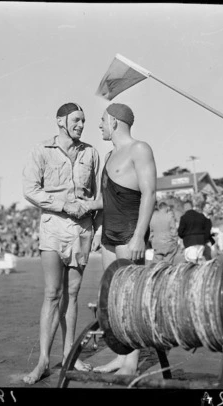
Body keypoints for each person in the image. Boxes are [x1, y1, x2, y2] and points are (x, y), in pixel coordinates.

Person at [22, 102, 101, 384]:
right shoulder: (41, 150)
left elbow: (96, 194)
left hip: (82, 230)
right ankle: (43, 360)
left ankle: (69, 356)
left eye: (84, 121)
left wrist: (98, 230)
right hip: (52, 228)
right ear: (60, 121)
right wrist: (63, 205)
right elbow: (30, 189)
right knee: (53, 293)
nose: (81, 125)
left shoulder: (91, 152)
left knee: (73, 294)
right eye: (76, 120)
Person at [81, 103, 156, 375]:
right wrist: (84, 205)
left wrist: (138, 236)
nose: (99, 125)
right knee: (113, 298)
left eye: (102, 120)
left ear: (114, 121)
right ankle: (121, 358)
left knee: (130, 298)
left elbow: (149, 193)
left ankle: (132, 363)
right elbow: (106, 199)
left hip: (129, 233)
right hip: (109, 234)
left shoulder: (140, 149)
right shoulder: (111, 154)